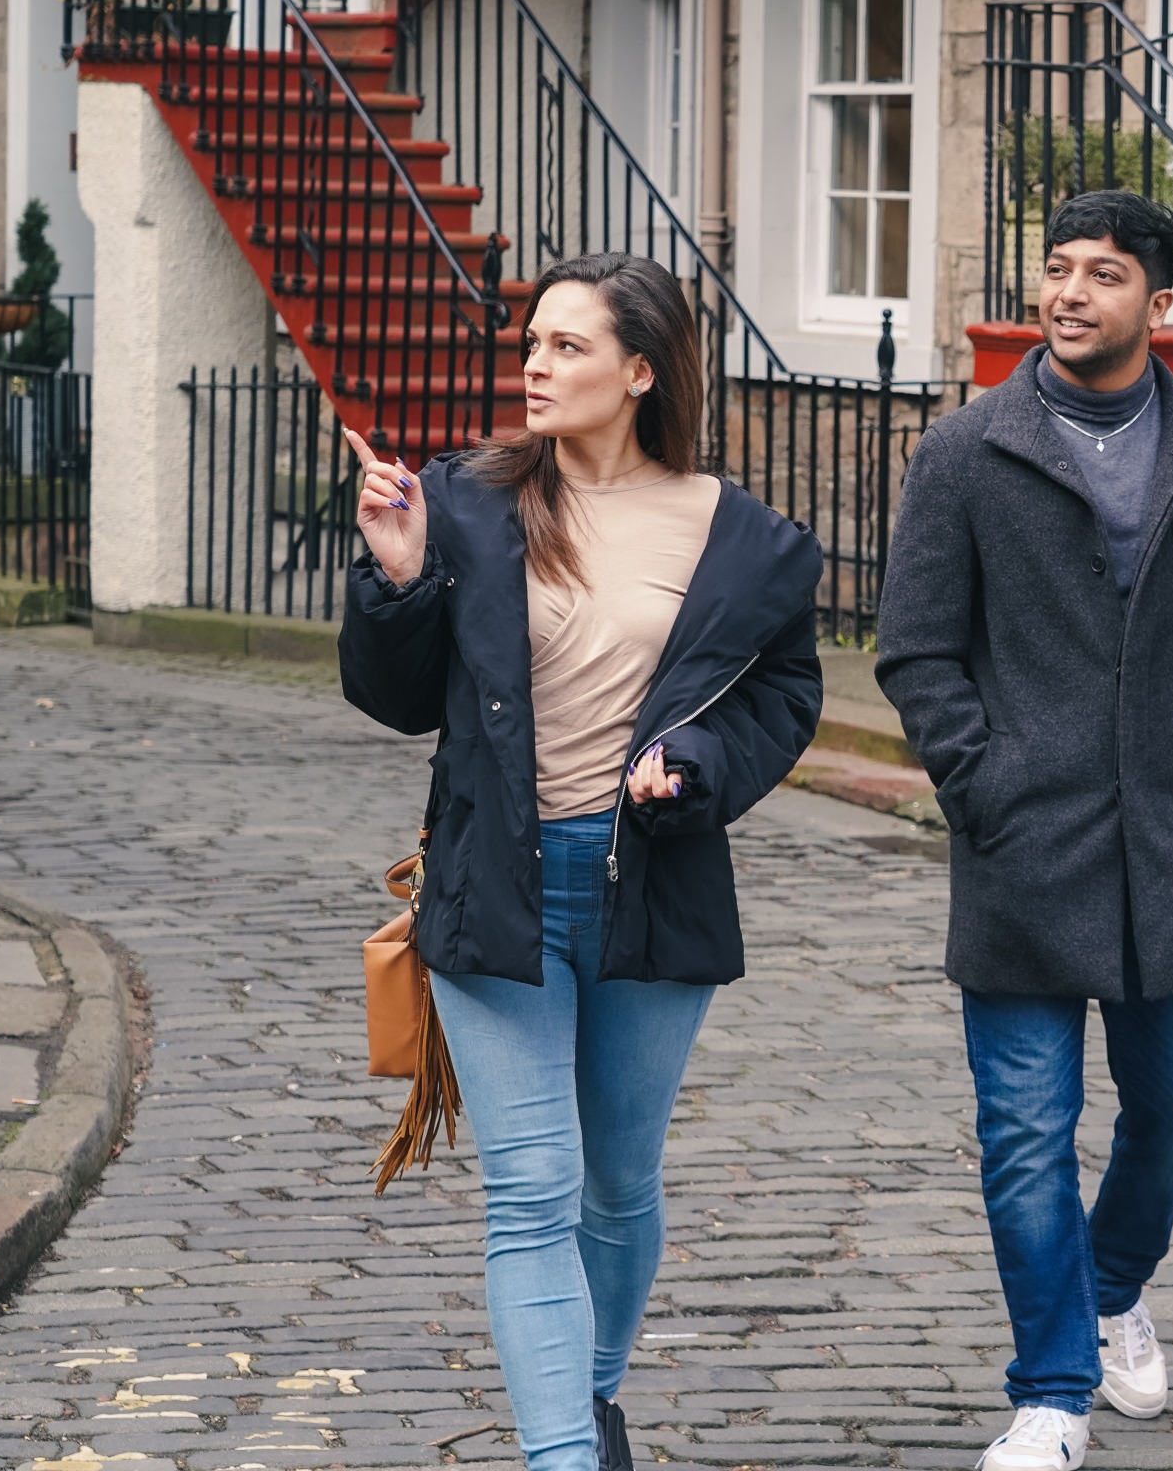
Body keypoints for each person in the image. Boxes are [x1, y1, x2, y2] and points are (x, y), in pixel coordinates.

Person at [339, 250, 825, 1471]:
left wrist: (697, 764)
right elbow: (395, 699)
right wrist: (397, 576)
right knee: (533, 1188)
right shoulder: (467, 500)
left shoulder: (747, 541)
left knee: (618, 1183)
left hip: (650, 888)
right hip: (495, 885)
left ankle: (591, 1392)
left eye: (568, 347)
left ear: (642, 369)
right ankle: (562, 1453)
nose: (536, 367)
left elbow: (781, 697)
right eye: (532, 344)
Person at [875, 189, 1173, 1471]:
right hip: (1022, 848)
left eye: (1102, 273)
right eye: (1056, 268)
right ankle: (1051, 1388)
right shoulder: (964, 450)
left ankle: (1112, 1284)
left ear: (1158, 301)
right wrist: (983, 783)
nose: (1067, 292)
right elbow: (917, 649)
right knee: (1023, 1134)